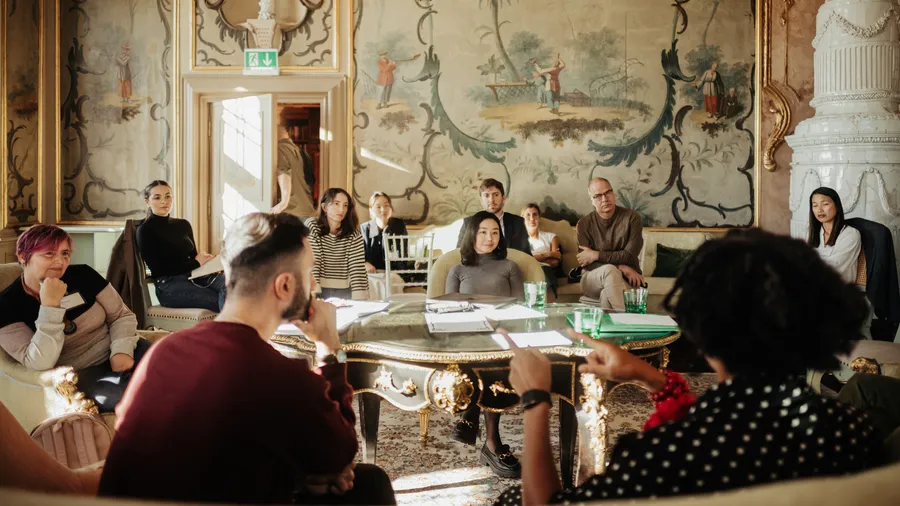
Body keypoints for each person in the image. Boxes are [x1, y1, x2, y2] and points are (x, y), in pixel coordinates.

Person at [494, 230, 879, 506]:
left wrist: (535, 399)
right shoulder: (852, 429)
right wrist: (652, 378)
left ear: (702, 331)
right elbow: (738, 422)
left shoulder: (670, 454)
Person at [98, 213, 395, 505]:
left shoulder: (164, 351)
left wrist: (297, 478)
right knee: (371, 485)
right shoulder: (283, 378)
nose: (314, 283)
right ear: (285, 286)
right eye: (309, 272)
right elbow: (340, 454)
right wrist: (329, 349)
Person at [0, 225, 149, 412]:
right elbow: (39, 362)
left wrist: (121, 351)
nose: (60, 261)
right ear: (23, 256)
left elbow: (121, 315)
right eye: (49, 253)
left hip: (123, 351)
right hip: (81, 373)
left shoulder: (83, 275)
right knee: (131, 398)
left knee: (176, 371)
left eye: (65, 253)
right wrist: (50, 308)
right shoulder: (6, 306)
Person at [447, 211, 524, 478]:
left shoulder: (510, 266)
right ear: (472, 234)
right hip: (467, 338)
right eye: (482, 232)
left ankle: (471, 416)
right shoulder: (457, 270)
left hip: (502, 336)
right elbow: (447, 311)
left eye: (494, 232)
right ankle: (491, 443)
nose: (489, 238)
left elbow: (520, 308)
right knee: (481, 357)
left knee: (494, 359)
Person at [135, 180, 226, 312]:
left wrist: (208, 263)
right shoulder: (145, 230)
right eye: (157, 197)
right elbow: (159, 269)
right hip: (169, 286)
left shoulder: (183, 224)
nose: (164, 201)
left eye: (168, 196)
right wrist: (196, 263)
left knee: (234, 285)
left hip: (194, 276)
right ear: (147, 202)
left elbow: (194, 258)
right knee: (225, 300)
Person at [576, 177, 644, 310]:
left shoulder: (632, 218)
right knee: (610, 271)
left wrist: (596, 255)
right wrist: (620, 267)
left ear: (613, 193)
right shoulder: (583, 224)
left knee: (607, 295)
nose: (604, 199)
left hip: (628, 278)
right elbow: (586, 261)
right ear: (592, 200)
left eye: (608, 192)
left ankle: (617, 322)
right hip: (592, 278)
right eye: (598, 196)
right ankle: (629, 320)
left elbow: (630, 255)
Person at [305, 188, 369, 300]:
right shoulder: (313, 226)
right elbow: (313, 262)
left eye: (345, 205)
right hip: (320, 289)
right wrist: (313, 294)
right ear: (324, 207)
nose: (341, 209)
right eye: (336, 204)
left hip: (346, 291)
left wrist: (360, 300)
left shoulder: (354, 232)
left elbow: (357, 267)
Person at [457, 178, 531, 254]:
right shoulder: (468, 223)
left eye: (496, 195)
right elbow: (459, 254)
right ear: (481, 201)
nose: (491, 200)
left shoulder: (518, 222)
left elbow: (526, 255)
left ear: (503, 198)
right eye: (486, 195)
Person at [807, 187, 861, 284]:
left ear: (837, 206)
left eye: (825, 204)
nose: (819, 210)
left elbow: (833, 267)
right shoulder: (811, 232)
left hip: (838, 288)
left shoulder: (850, 234)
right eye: (815, 205)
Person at [271, 110, 317, 219]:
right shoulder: (303, 153)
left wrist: (283, 202)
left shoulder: (279, 149)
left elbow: (284, 172)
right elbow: (311, 182)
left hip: (292, 214)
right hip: (308, 211)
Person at [521, 203, 561, 299]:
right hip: (526, 270)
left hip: (547, 270)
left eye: (535, 214)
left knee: (544, 272)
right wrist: (547, 254)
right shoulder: (519, 239)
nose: (532, 219)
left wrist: (534, 257)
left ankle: (548, 305)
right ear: (522, 219)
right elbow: (523, 260)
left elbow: (555, 261)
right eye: (528, 215)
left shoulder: (551, 237)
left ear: (539, 218)